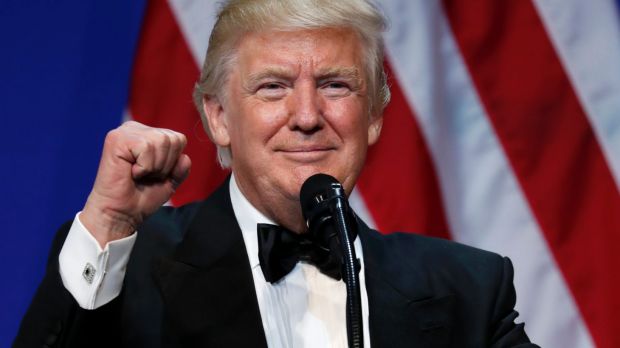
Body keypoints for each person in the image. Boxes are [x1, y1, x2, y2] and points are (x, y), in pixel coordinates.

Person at [14, 0, 539, 347]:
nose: (308, 116)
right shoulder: (129, 267)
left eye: (336, 85)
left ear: (374, 115)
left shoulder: (469, 290)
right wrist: (107, 219)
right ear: (218, 117)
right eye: (273, 87)